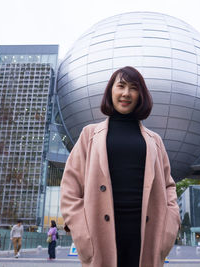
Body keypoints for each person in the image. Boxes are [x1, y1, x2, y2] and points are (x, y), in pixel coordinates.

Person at [60, 66, 180, 267]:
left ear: (140, 95)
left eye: (133, 88)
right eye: (121, 86)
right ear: (110, 91)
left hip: (146, 236)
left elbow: (169, 186)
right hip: (98, 237)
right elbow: (70, 188)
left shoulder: (155, 141)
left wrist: (168, 229)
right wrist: (82, 233)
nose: (126, 93)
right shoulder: (89, 135)